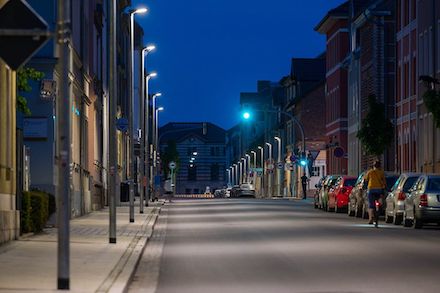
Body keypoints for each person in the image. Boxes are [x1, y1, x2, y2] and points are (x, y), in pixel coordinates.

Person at [364, 160, 386, 224]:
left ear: (373, 166)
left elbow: (366, 180)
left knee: (371, 205)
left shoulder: (370, 172)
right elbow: (384, 181)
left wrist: (365, 187)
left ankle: (370, 219)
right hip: (379, 189)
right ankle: (379, 206)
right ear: (380, 166)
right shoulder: (381, 172)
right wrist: (384, 187)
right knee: (380, 200)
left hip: (371, 189)